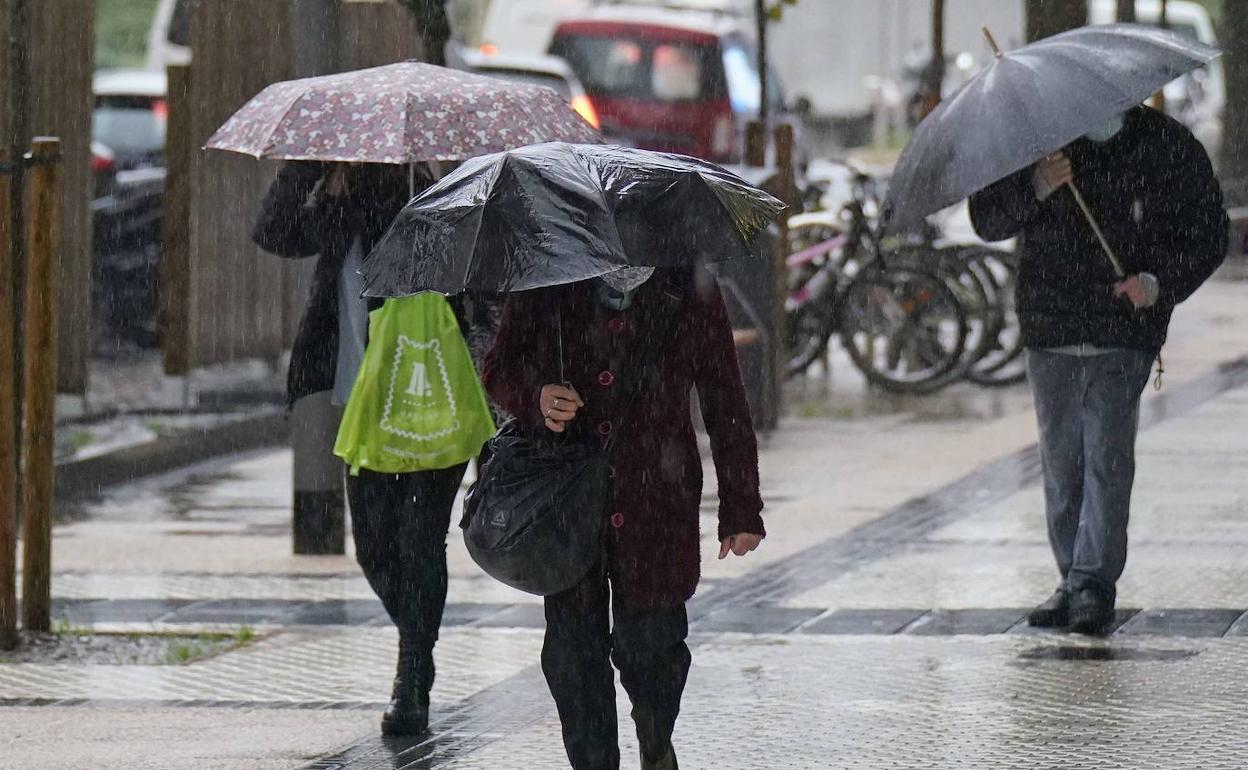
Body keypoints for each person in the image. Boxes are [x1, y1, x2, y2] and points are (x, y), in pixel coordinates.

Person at [482, 267, 765, 770]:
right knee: (574, 654)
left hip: (658, 495)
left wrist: (740, 506)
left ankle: (656, 740)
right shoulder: (551, 275)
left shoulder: (688, 283)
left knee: (653, 646)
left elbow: (725, 398)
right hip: (567, 499)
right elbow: (501, 367)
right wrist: (538, 396)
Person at [252, 161, 496, 736]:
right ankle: (420, 644)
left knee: (417, 539)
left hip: (435, 392)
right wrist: (307, 169)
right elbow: (273, 231)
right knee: (374, 547)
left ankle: (411, 679)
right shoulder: (343, 206)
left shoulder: (446, 203)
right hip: (364, 402)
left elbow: (486, 294)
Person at [969, 105, 1227, 635]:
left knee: (1107, 456)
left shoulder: (1162, 143)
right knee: (1062, 463)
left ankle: (1093, 582)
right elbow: (988, 218)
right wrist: (1038, 184)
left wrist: (1156, 284)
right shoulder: (1037, 139)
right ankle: (1072, 577)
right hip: (1051, 326)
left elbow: (1207, 232)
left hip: (1123, 330)